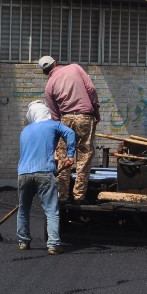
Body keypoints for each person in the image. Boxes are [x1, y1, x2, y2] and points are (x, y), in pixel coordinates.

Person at [18, 100, 76, 255]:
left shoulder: (25, 131)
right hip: (44, 172)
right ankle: (53, 245)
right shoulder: (53, 125)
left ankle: (23, 242)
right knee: (51, 210)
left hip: (23, 174)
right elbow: (70, 133)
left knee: (23, 209)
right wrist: (70, 155)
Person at [39, 55, 99, 202]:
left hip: (65, 119)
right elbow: (90, 88)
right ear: (56, 63)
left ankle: (63, 195)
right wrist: (95, 109)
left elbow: (55, 116)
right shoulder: (75, 68)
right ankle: (79, 195)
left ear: (45, 72)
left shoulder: (49, 86)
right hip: (85, 116)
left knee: (63, 157)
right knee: (84, 155)